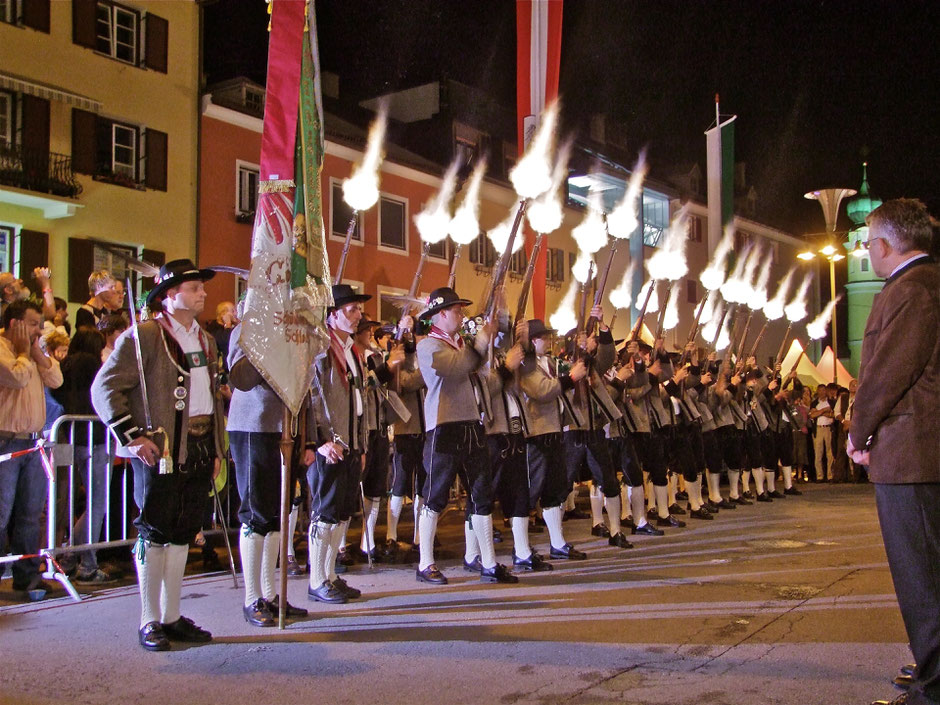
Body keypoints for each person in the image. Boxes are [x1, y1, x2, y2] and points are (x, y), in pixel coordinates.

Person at [92, 259, 224, 651]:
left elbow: (212, 398)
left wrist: (215, 446)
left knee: (183, 531)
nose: (202, 294)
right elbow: (105, 389)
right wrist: (132, 436)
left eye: (202, 288)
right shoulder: (145, 335)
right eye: (194, 288)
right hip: (162, 447)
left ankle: (172, 616)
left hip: (199, 444)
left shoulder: (207, 339)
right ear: (170, 295)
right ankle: (149, 619)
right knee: (155, 530)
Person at [844, 199, 939, 705]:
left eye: (868, 242)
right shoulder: (927, 284)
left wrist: (858, 434)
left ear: (882, 246)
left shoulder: (910, 291)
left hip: (914, 454)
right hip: (921, 450)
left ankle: (933, 683)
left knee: (921, 576)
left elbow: (886, 374)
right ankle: (932, 662)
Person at [414, 286, 517, 585]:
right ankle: (425, 562)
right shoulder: (428, 346)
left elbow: (483, 381)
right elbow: (458, 368)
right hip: (443, 427)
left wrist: (503, 362)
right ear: (441, 313)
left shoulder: (461, 344)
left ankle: (487, 562)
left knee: (482, 495)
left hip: (472, 425)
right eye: (456, 310)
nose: (461, 314)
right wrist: (483, 338)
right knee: (435, 497)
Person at [226, 320, 309, 627]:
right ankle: (251, 597)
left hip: (286, 428)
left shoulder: (294, 330)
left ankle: (271, 594)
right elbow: (241, 377)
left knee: (276, 515)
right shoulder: (248, 329)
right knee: (256, 513)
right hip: (254, 425)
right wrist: (274, 344)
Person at [305, 284, 372, 604]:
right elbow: (312, 396)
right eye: (352, 310)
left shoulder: (351, 349)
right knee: (326, 511)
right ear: (333, 315)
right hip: (330, 444)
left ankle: (330, 573)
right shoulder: (321, 348)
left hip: (350, 443)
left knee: (342, 512)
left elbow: (359, 399)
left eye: (359, 309)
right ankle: (317, 578)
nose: (359, 315)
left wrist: (360, 445)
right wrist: (320, 440)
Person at [0, 300, 63, 596]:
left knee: (30, 512)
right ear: (15, 324)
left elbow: (56, 378)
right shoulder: (2, 348)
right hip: (6, 441)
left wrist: (36, 352)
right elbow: (16, 375)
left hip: (34, 442)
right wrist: (25, 353)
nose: (39, 329)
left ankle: (28, 576)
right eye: (34, 323)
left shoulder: (33, 353)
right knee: (1, 512)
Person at [52, 328, 116, 583]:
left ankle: (69, 555)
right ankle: (86, 561)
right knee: (97, 501)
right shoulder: (92, 365)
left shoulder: (65, 365)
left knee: (68, 500)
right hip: (95, 436)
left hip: (69, 435)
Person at [810, 384, 835, 482]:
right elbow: (812, 415)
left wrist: (819, 412)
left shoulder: (832, 402)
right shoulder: (814, 403)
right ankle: (819, 475)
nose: (822, 392)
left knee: (830, 453)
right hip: (818, 428)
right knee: (818, 453)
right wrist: (824, 411)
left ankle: (830, 475)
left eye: (823, 390)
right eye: (820, 390)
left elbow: (832, 415)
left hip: (829, 428)